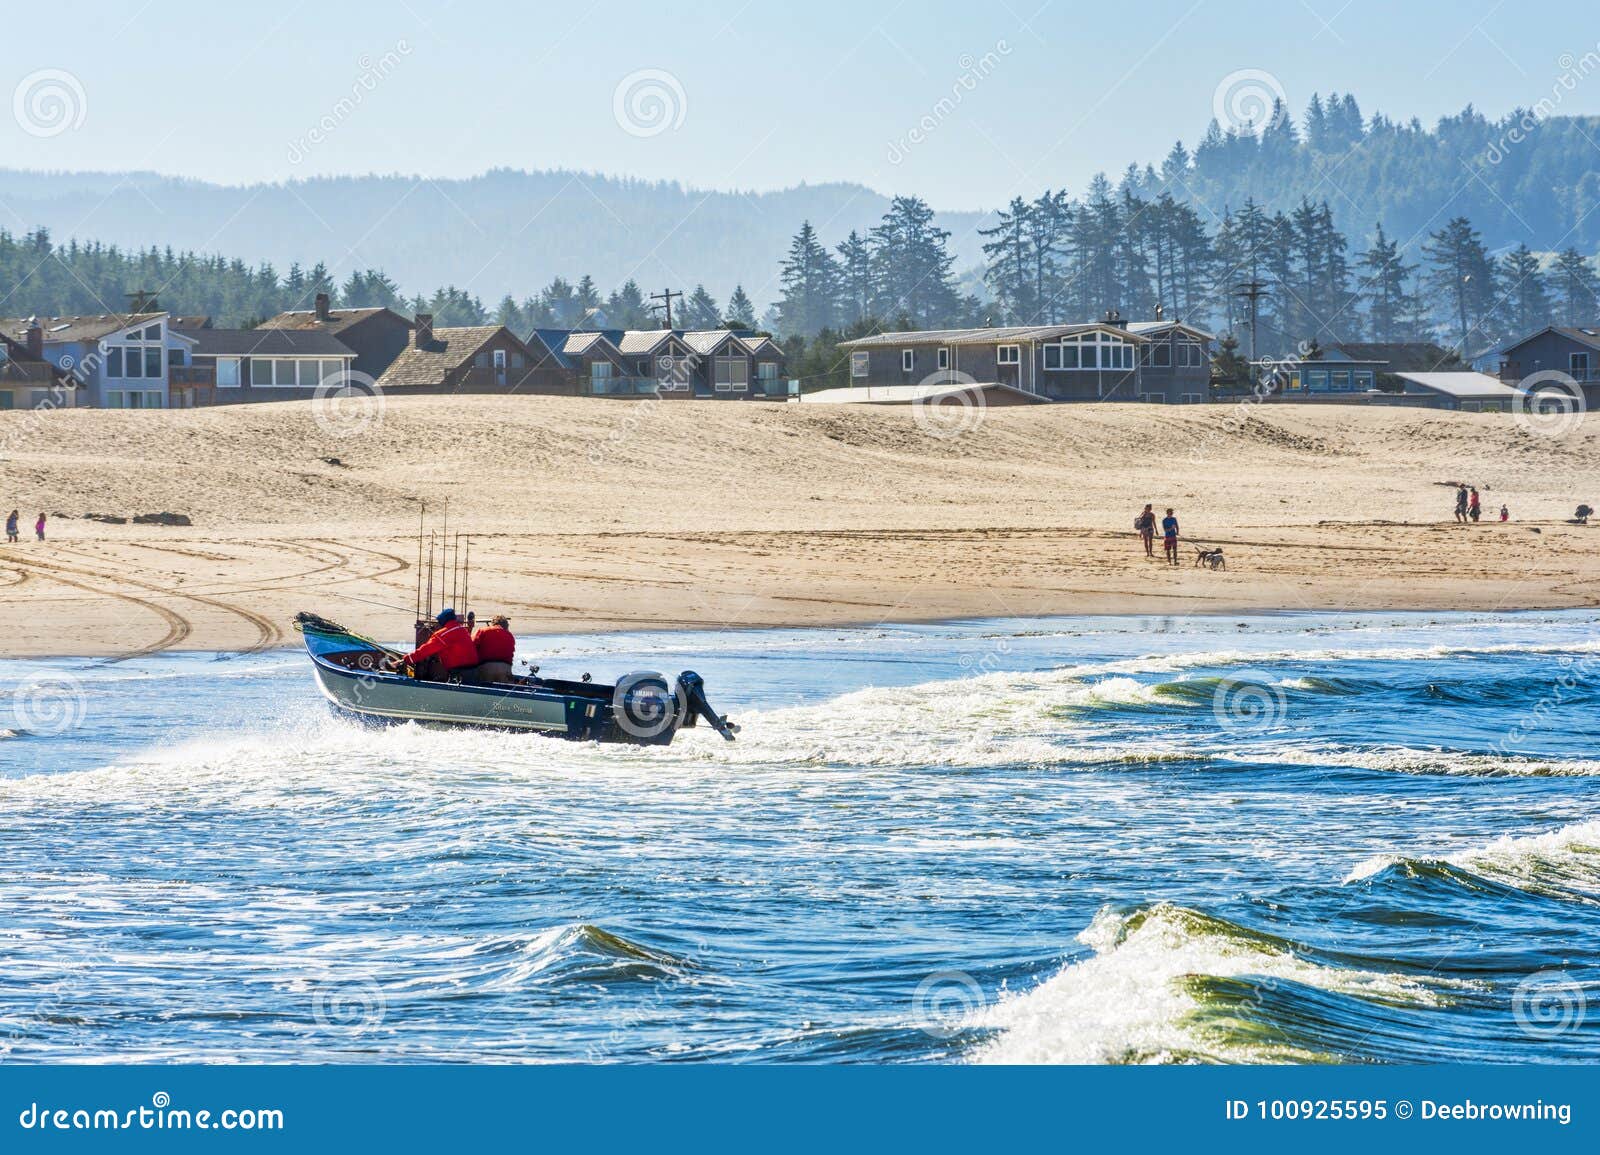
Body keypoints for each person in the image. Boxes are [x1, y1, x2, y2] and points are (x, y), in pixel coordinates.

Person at [389, 607, 478, 681]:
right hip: (473, 670)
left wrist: (406, 660)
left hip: (460, 672)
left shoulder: (443, 634)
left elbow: (425, 650)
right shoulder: (462, 629)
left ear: (442, 622)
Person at [467, 615, 516, 684]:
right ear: (506, 626)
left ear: (493, 623)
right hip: (506, 668)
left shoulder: (483, 631)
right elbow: (511, 653)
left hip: (486, 667)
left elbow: (471, 646)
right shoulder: (510, 635)